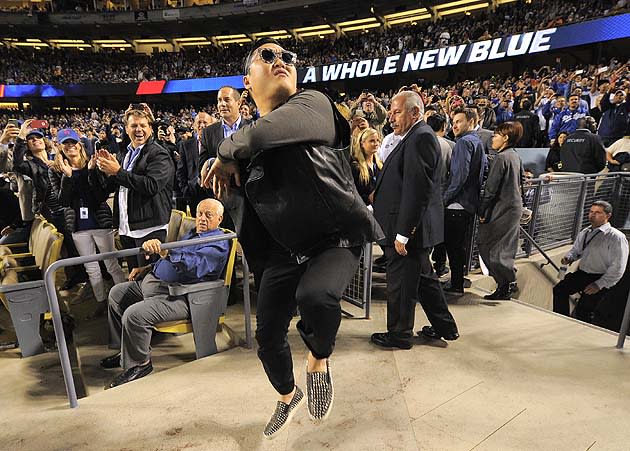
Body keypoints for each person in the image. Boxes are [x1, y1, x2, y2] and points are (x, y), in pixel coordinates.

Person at [201, 38, 381, 439]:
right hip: (286, 250)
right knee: (266, 338)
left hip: (336, 237)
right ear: (248, 80)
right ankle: (287, 394)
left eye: (287, 56)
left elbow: (261, 137)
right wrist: (229, 189)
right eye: (268, 56)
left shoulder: (312, 103)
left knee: (315, 297)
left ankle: (319, 357)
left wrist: (223, 151)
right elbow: (251, 211)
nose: (280, 60)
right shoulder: (247, 144)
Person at [102, 199, 230, 388]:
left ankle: (140, 364)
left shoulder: (217, 243)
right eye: (199, 213)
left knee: (134, 315)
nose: (202, 219)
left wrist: (167, 253)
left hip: (180, 296)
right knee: (116, 294)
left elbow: (195, 267)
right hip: (156, 283)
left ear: (220, 219)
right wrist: (147, 267)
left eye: (208, 215)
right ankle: (127, 351)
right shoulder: (192, 233)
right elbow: (170, 259)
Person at [371, 91, 459, 351]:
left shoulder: (420, 137)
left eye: (397, 112)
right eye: (390, 112)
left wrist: (402, 234)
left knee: (400, 283)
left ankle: (399, 334)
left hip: (406, 228)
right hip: (411, 227)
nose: (391, 117)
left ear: (415, 113)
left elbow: (416, 190)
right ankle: (445, 327)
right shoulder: (413, 136)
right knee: (424, 279)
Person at [48, 128, 126, 317]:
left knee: (111, 264)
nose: (70, 146)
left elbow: (99, 195)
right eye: (66, 143)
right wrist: (68, 177)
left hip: (100, 222)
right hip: (77, 225)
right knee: (91, 267)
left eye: (73, 142)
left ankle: (124, 299)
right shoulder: (57, 170)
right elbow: (63, 201)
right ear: (60, 147)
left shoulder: (93, 164)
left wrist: (90, 172)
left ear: (79, 144)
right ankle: (101, 301)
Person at [93, 105, 175, 274]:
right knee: (134, 277)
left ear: (150, 129)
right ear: (126, 129)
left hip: (150, 229)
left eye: (143, 125)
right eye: (134, 126)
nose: (139, 130)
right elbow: (116, 186)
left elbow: (151, 186)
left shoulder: (158, 154)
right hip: (127, 227)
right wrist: (104, 171)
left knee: (151, 279)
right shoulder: (126, 153)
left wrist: (118, 172)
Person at [552, 201, 629, 321]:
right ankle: (561, 321)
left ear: (607, 216)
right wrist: (569, 257)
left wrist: (599, 284)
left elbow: (618, 267)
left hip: (600, 277)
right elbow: (577, 250)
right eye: (591, 212)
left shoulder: (616, 237)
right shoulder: (585, 231)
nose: (592, 215)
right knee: (559, 290)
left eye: (598, 213)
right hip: (583, 273)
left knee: (584, 311)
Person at [477, 122, 525, 300]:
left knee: (489, 248)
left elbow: (490, 190)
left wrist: (482, 211)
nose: (493, 137)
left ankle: (506, 283)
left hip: (501, 209)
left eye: (497, 135)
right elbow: (521, 183)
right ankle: (505, 285)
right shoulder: (514, 155)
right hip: (513, 208)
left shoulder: (501, 158)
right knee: (502, 248)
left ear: (506, 138)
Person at [442, 108, 487, 295]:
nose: (454, 125)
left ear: (470, 122)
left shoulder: (463, 143)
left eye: (459, 121)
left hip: (456, 205)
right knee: (459, 247)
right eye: (453, 121)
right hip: (469, 204)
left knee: (453, 247)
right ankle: (457, 282)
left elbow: (459, 176)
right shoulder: (477, 142)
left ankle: (456, 284)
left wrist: (444, 199)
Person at [426, 113, 454, 277]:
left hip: (423, 194)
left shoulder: (419, 142)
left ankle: (423, 266)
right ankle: (439, 265)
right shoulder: (447, 145)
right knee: (438, 233)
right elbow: (452, 172)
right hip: (440, 194)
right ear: (443, 127)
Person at [176, 111, 214, 212]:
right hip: (193, 195)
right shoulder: (185, 145)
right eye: (199, 122)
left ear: (212, 125)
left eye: (205, 123)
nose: (202, 125)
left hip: (213, 194)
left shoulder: (217, 143)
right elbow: (181, 171)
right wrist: (185, 190)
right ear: (194, 125)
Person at [350, 127, 382, 206]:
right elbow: (351, 192)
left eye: (377, 140)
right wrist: (368, 198)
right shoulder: (355, 167)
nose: (376, 143)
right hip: (363, 209)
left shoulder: (380, 165)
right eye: (372, 141)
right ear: (362, 143)